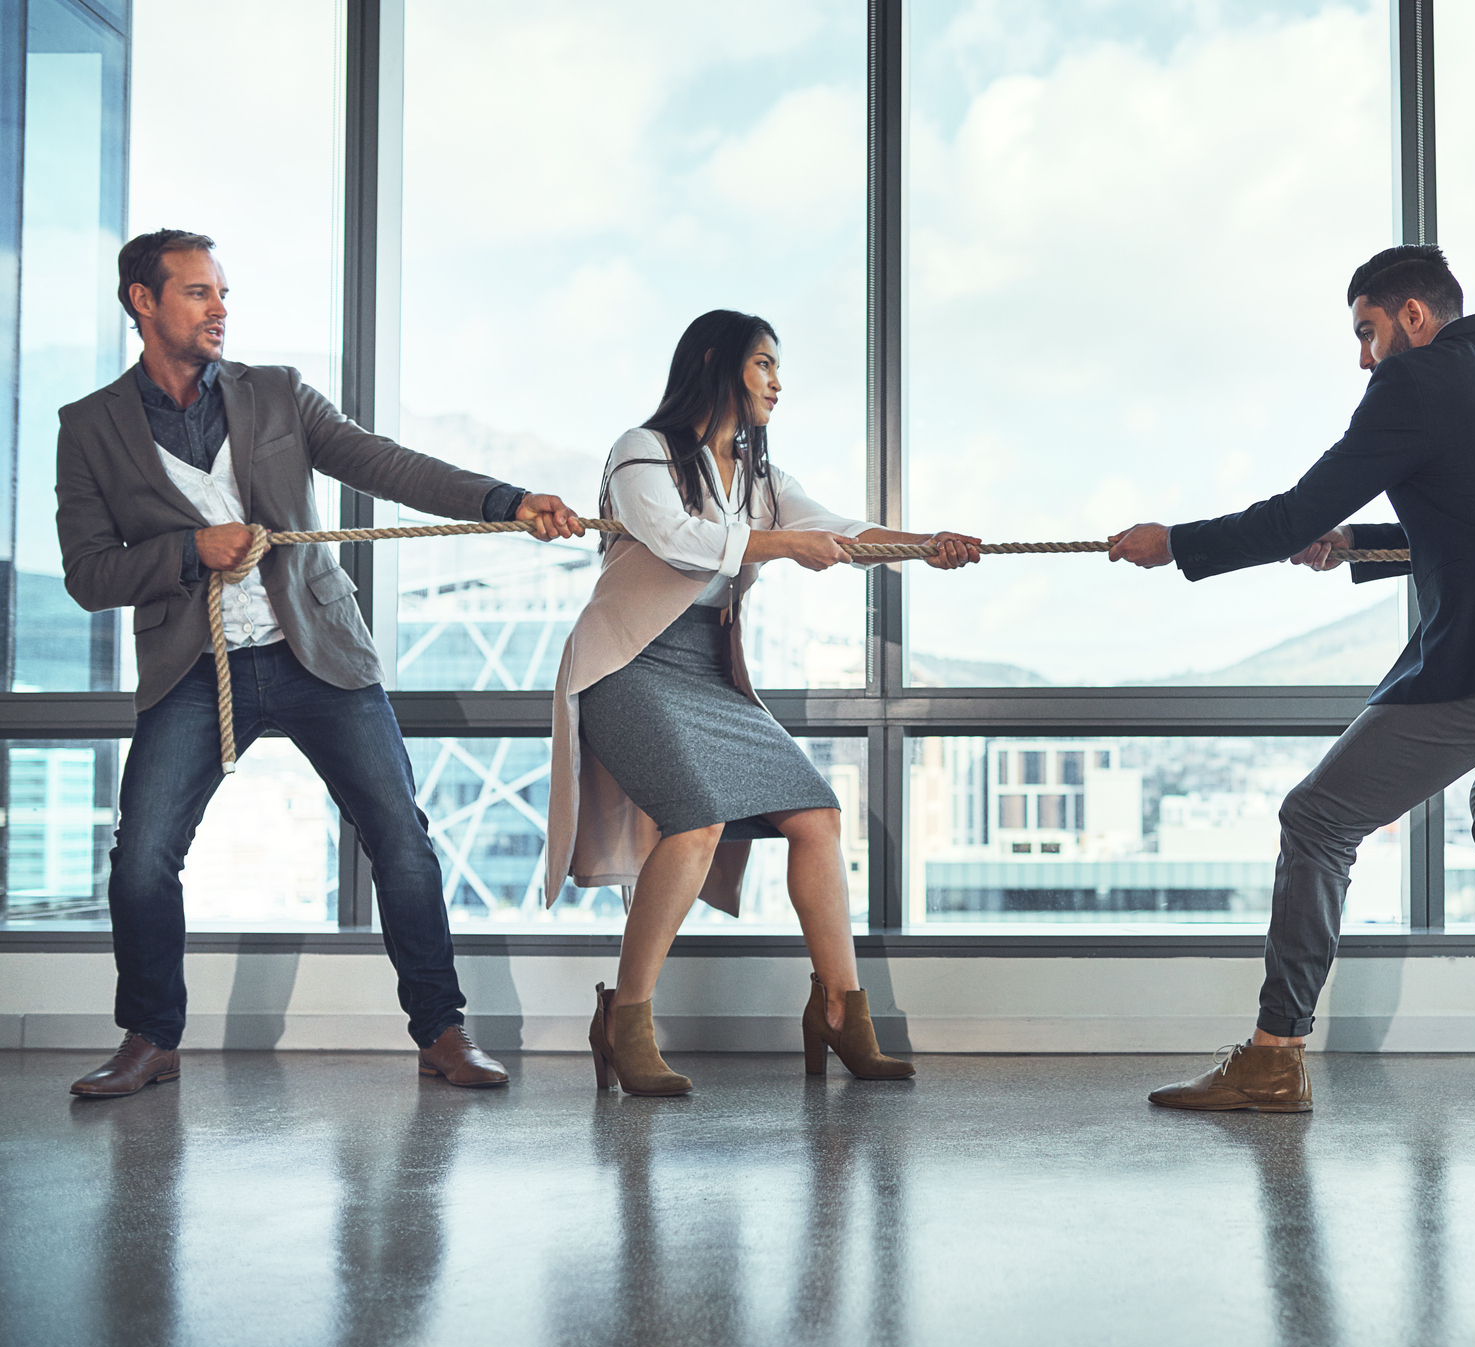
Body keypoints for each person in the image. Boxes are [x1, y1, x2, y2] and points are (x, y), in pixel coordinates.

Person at [1110, 245, 1475, 1111]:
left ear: (1410, 315)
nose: (1363, 358)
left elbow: (1294, 510)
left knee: (1317, 818)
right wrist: (1356, 545)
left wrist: (1175, 541)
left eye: (1366, 331)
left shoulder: (1414, 383)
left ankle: (1273, 1057)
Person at [56, 228, 586, 1097]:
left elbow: (386, 465)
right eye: (198, 292)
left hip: (319, 655)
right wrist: (193, 547)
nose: (220, 308)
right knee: (142, 856)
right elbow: (88, 575)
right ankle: (149, 1039)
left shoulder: (276, 395)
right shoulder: (89, 429)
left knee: (401, 842)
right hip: (195, 667)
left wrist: (506, 501)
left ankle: (443, 1032)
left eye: (223, 292)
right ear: (142, 302)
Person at [545, 310, 981, 1095]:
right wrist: (780, 545)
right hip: (628, 665)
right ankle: (626, 1020)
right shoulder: (640, 451)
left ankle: (842, 1016)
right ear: (716, 362)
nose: (777, 382)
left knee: (816, 818)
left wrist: (922, 545)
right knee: (697, 820)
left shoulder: (760, 477)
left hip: (710, 670)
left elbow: (838, 531)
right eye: (763, 364)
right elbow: (674, 537)